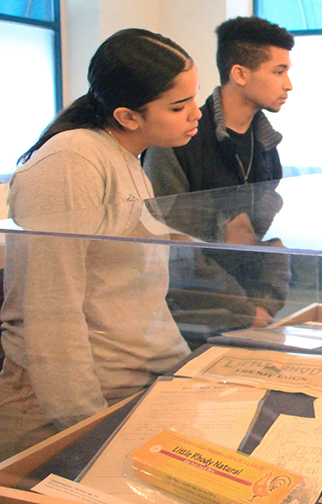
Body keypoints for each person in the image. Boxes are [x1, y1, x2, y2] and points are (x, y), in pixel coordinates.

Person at [0, 29, 198, 458]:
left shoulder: (127, 157)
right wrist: (89, 426)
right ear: (128, 116)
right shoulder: (71, 162)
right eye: (179, 106)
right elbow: (51, 312)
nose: (195, 114)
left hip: (134, 381)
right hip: (63, 403)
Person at [143, 16, 295, 329]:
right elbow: (171, 247)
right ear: (239, 73)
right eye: (279, 71)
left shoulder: (266, 147)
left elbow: (263, 245)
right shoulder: (177, 142)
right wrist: (245, 311)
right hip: (187, 318)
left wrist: (263, 306)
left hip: (252, 314)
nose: (288, 84)